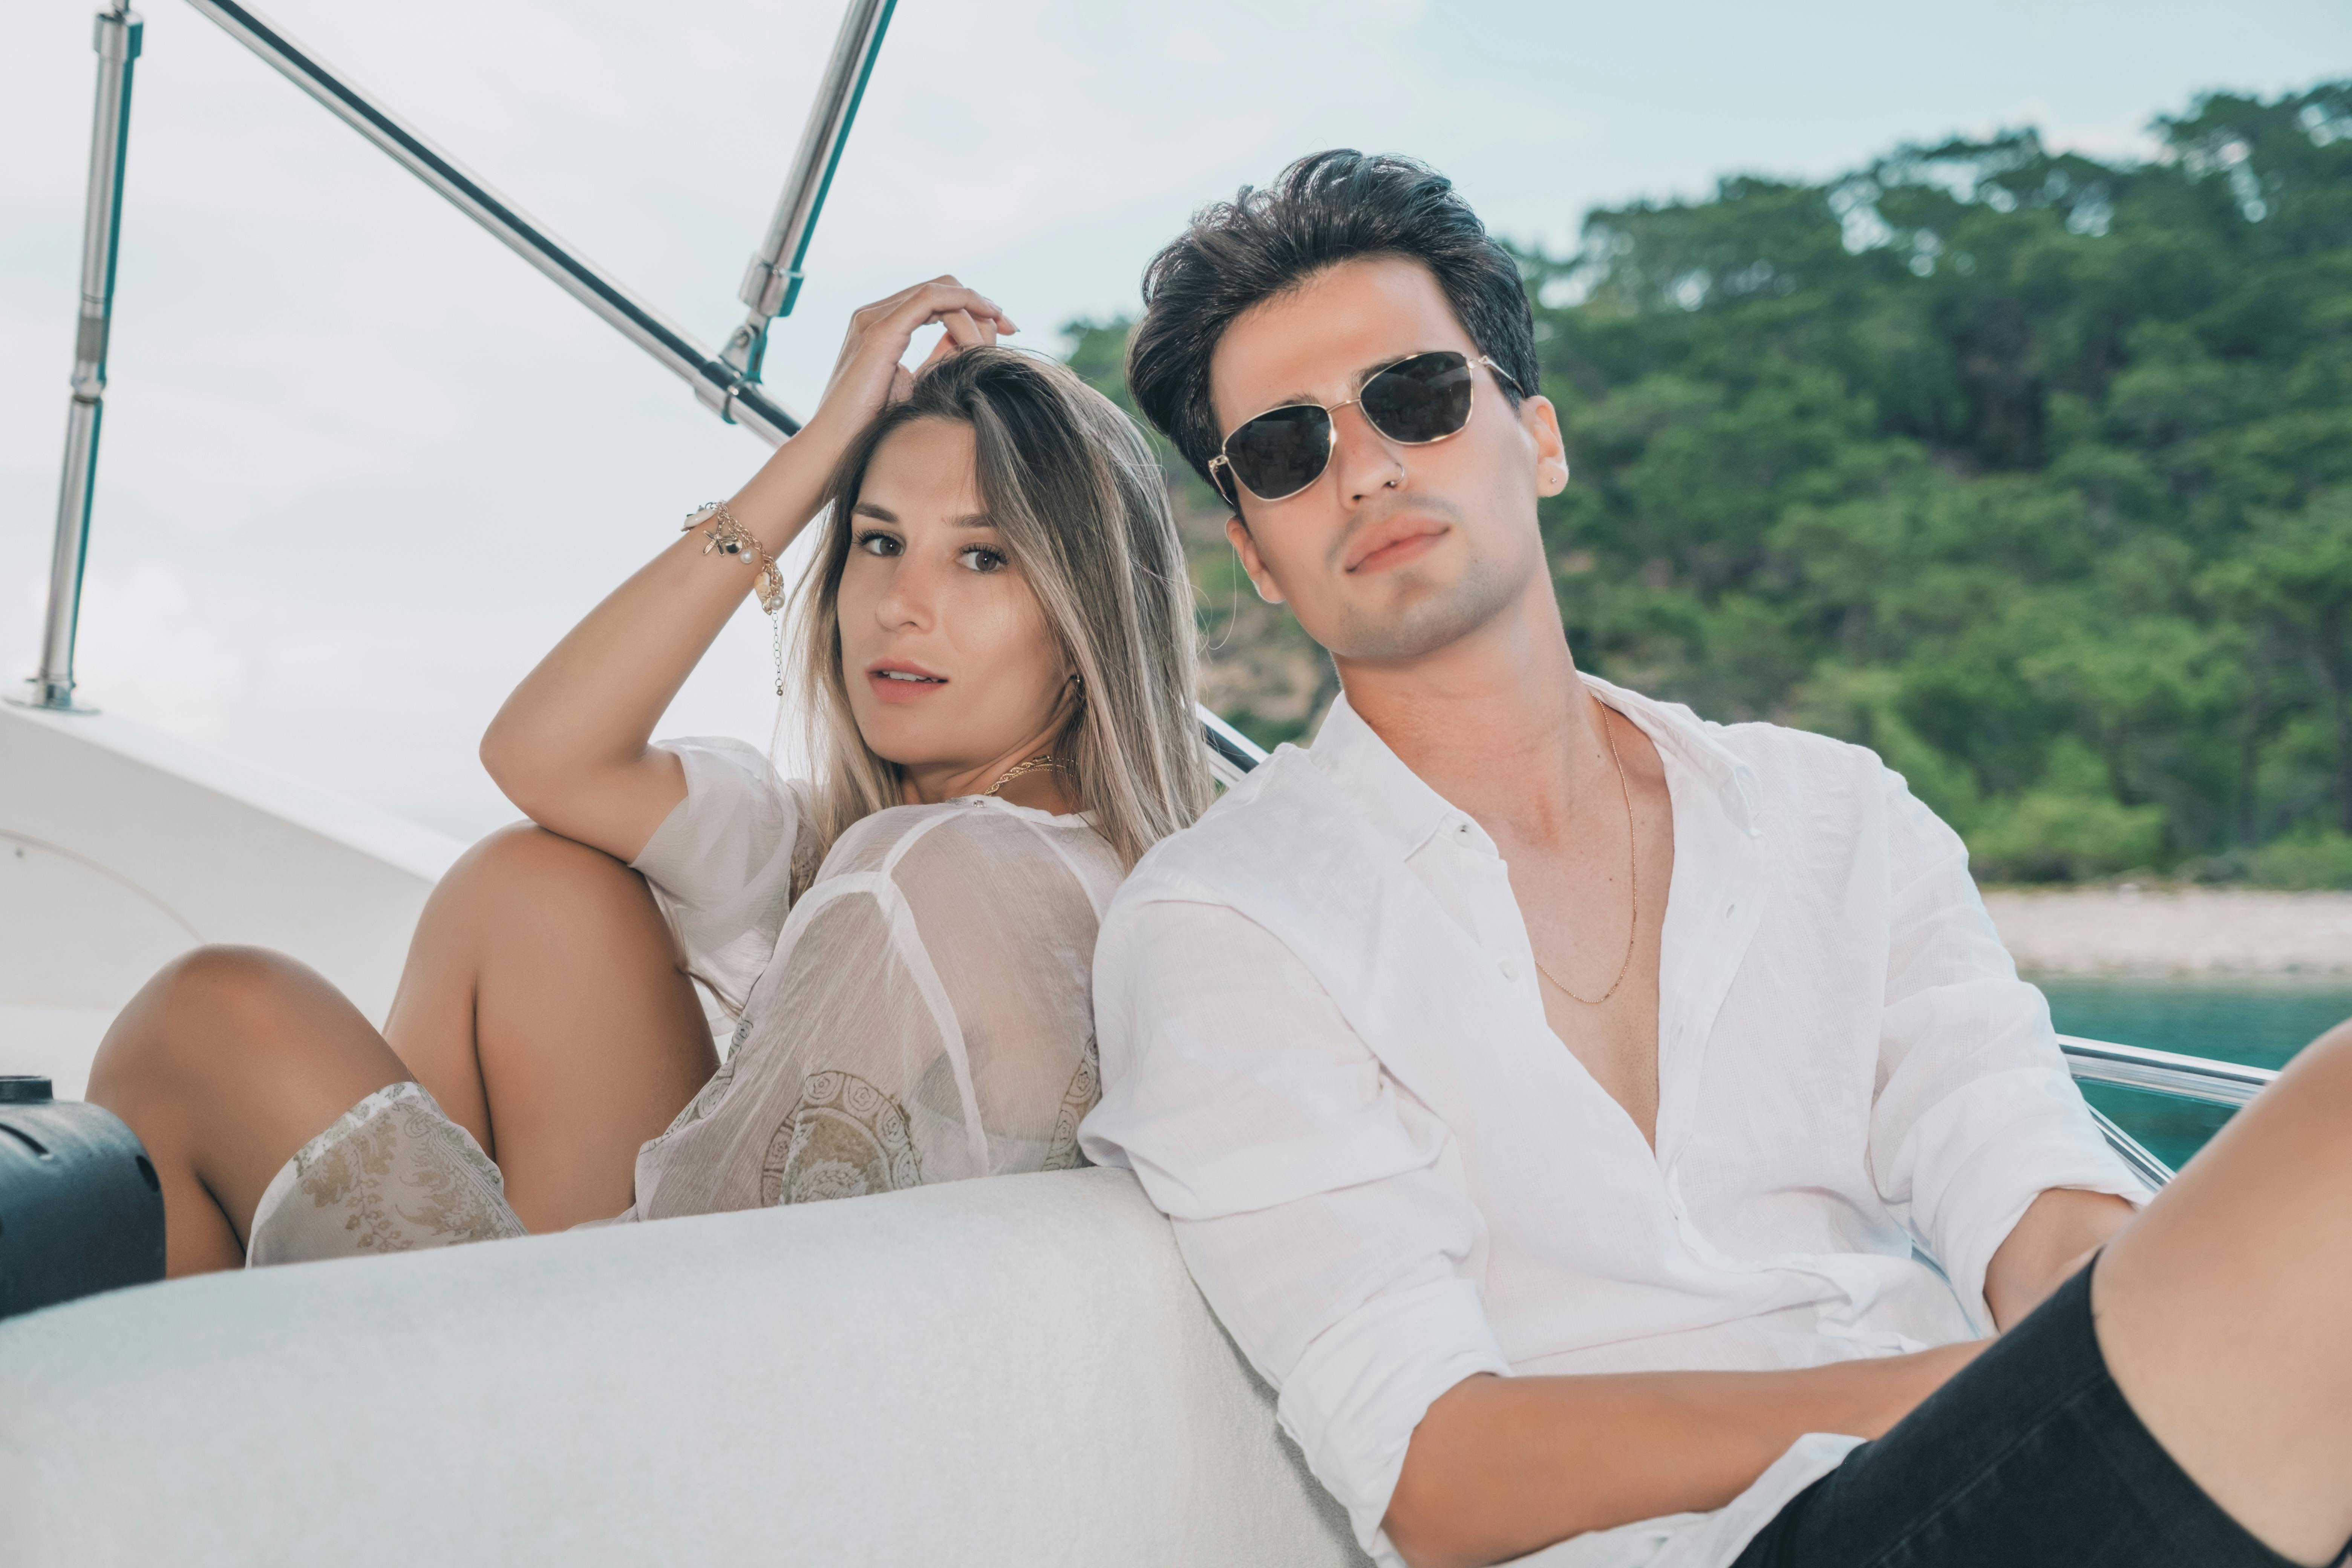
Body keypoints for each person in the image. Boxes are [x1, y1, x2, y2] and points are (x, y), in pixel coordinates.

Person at [1079, 152, 2352, 1568]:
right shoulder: (1227, 925)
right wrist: (1964, 1398)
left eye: (1417, 398)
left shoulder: (1835, 817)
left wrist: (2161, 1346)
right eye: (1284, 452)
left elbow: (2029, 1187)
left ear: (1539, 437)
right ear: (1255, 550)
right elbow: (1435, 1471)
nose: (1365, 465)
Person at [90, 279, 1212, 1275]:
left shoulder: (927, 874)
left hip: (658, 1440)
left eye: (983, 556)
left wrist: (824, 451)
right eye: (875, 540)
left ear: (1085, 621)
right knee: (534, 887)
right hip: (731, 1365)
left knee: (211, 1013)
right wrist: (821, 446)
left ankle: (184, 1462)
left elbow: (707, 1304)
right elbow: (543, 757)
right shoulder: (1017, 859)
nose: (899, 604)